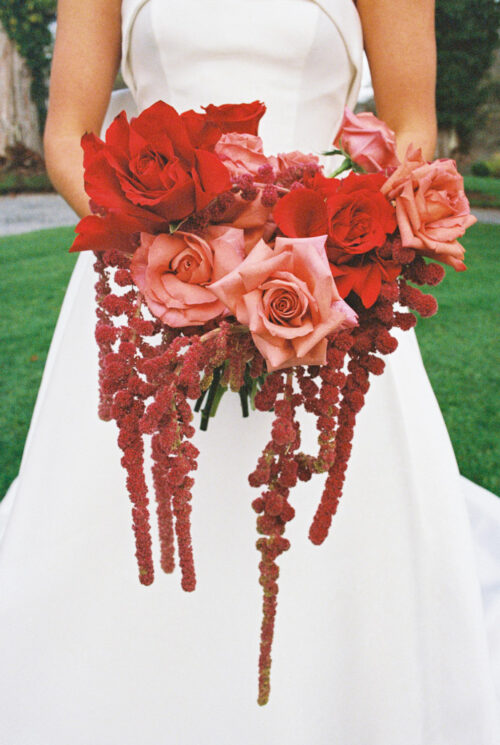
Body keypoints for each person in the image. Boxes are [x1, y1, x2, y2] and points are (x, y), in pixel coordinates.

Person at [1, 0, 499, 743]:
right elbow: (68, 134)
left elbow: (410, 131)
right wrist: (169, 247)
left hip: (323, 290)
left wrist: (322, 241)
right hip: (151, 283)